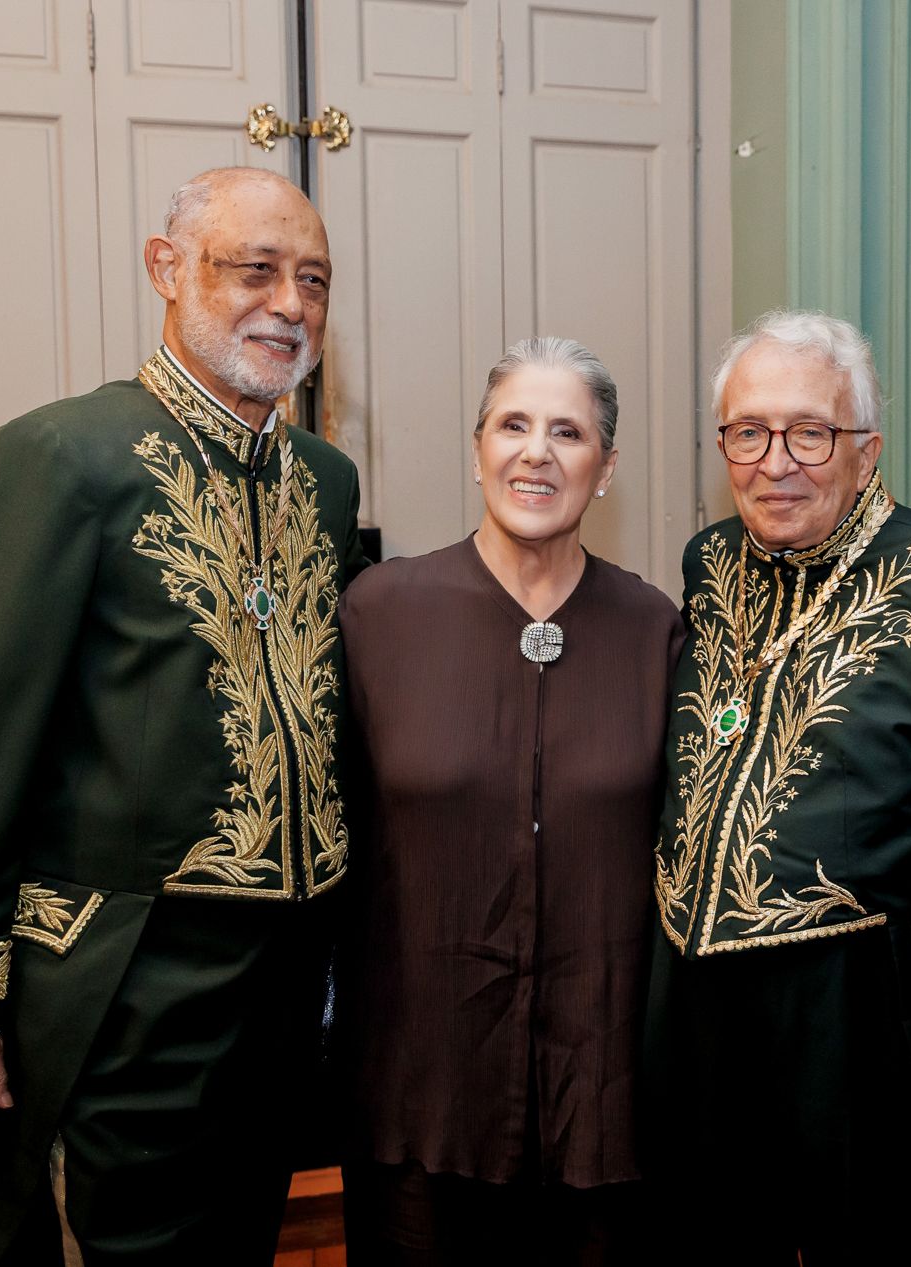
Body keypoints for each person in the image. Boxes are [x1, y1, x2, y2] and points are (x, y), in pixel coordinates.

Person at [0, 166, 366, 1266]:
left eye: (315, 280)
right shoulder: (57, 458)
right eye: (255, 269)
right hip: (123, 984)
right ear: (166, 269)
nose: (289, 303)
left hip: (279, 992)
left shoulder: (324, 483)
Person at [642, 309, 911, 1262]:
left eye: (811, 432)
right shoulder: (710, 562)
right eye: (748, 432)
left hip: (866, 1012)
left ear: (867, 447)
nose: (776, 461)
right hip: (703, 1009)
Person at [338, 338, 683, 1263]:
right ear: (478, 448)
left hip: (605, 1103)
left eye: (568, 432)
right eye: (513, 425)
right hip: (423, 1092)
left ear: (604, 469)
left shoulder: (658, 628)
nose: (537, 452)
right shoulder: (378, 614)